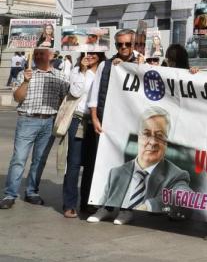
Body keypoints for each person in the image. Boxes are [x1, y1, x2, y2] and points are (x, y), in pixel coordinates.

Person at [87, 106, 191, 225]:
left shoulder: (176, 175)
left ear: (167, 142)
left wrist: (150, 205)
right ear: (138, 137)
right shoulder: (116, 172)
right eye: (146, 134)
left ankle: (126, 211)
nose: (152, 142)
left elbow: (183, 195)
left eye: (159, 136)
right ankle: (107, 209)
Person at [0, 48, 74, 209]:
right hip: (27, 119)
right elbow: (17, 98)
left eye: (43, 53)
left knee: (39, 160)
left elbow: (64, 100)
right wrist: (26, 81)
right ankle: (10, 194)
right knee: (19, 159)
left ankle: (32, 191)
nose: (39, 56)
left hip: (49, 122)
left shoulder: (61, 77)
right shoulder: (24, 74)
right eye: (37, 53)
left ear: (52, 56)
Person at [82, 29, 138, 218]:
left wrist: (136, 66)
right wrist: (95, 118)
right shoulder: (105, 65)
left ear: (133, 44)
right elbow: (94, 96)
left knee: (129, 165)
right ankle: (105, 205)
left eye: (127, 44)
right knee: (105, 164)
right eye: (119, 44)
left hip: (132, 125)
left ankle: (125, 209)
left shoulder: (142, 63)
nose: (123, 47)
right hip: (108, 123)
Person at [61, 52, 102, 218]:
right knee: (74, 163)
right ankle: (69, 204)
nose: (90, 56)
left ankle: (87, 202)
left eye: (94, 53)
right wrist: (83, 71)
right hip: (78, 120)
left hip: (97, 123)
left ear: (100, 55)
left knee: (91, 165)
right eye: (88, 53)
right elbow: (76, 92)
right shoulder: (77, 70)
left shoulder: (104, 71)